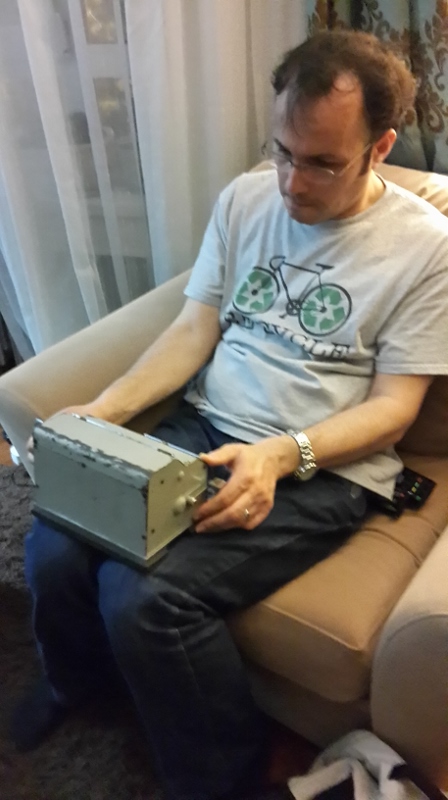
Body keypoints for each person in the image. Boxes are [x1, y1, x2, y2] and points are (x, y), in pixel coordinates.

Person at [11, 30, 448, 800]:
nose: (292, 184)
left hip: (323, 466)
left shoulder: (427, 249)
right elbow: (193, 332)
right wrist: (106, 411)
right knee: (56, 541)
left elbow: (393, 410)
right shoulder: (246, 198)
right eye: (282, 151)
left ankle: (224, 779)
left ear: (380, 147)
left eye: (322, 163)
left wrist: (280, 455)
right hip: (207, 426)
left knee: (145, 595)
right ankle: (82, 686)